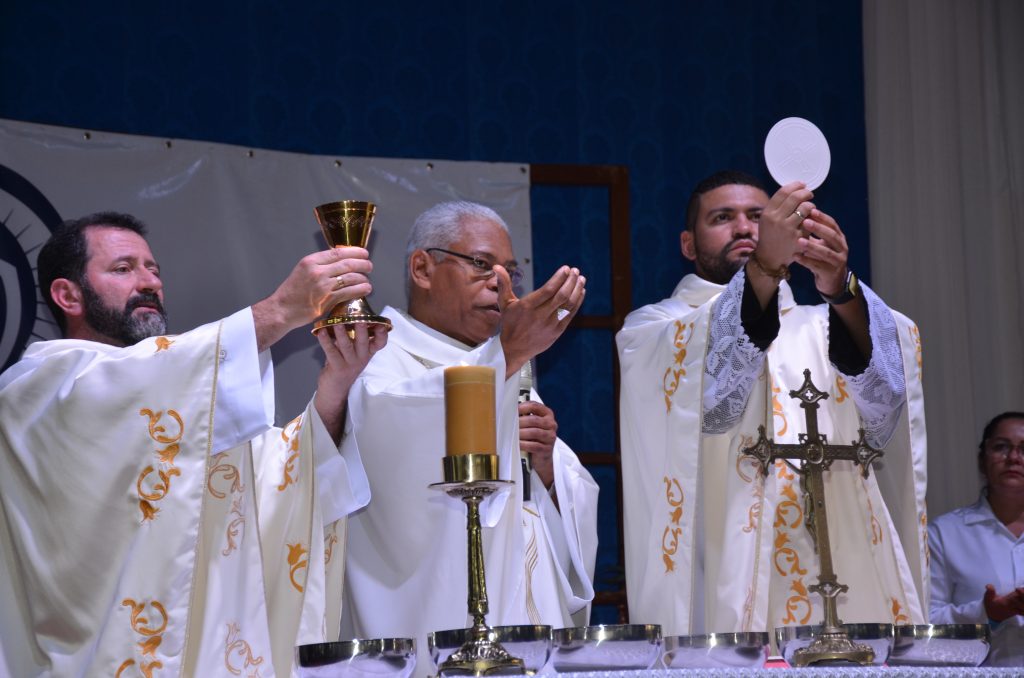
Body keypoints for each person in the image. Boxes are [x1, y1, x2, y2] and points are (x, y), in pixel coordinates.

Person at [0, 212, 386, 677]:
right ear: (67, 294)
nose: (148, 282)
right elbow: (125, 386)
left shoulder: (181, 404)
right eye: (123, 269)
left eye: (153, 270)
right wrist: (281, 309)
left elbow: (270, 479)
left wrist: (335, 387)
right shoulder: (39, 389)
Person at [616, 170, 929, 636]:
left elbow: (884, 405)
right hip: (724, 564)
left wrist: (840, 285)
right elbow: (710, 402)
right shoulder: (655, 329)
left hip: (839, 551)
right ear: (688, 243)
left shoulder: (825, 321)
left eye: (759, 217)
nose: (745, 229)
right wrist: (763, 266)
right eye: (723, 218)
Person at [339, 201, 598, 675]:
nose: (501, 283)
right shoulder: (379, 359)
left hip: (532, 626)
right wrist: (509, 354)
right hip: (442, 620)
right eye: (481, 265)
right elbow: (393, 446)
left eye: (510, 271)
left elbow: (552, 501)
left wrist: (544, 464)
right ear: (423, 268)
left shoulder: (501, 363)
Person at [929, 411, 1024, 666]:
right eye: (1002, 447)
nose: (1014, 457)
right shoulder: (945, 533)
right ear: (982, 461)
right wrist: (986, 613)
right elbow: (925, 621)